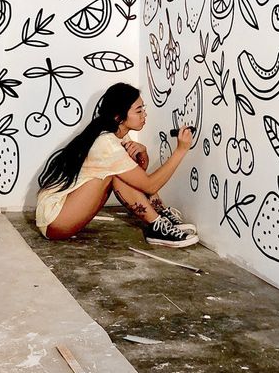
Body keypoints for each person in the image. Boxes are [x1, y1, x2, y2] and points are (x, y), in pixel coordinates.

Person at [36, 82, 198, 248]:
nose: (144, 114)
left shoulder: (118, 136)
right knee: (116, 174)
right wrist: (181, 150)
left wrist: (143, 156)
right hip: (54, 219)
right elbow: (149, 185)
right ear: (118, 117)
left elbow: (136, 181)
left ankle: (159, 214)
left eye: (144, 108)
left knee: (121, 173)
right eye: (138, 110)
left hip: (60, 215)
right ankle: (157, 225)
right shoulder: (107, 143)